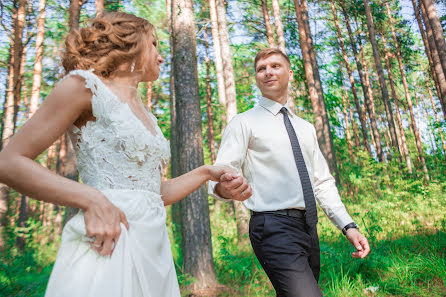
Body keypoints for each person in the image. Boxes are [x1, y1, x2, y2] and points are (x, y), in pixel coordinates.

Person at [0, 12, 235, 297]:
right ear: (130, 43)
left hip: (154, 249)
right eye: (154, 44)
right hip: (108, 240)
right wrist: (91, 198)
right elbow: (9, 162)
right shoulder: (84, 86)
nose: (161, 56)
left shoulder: (146, 114)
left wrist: (206, 172)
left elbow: (147, 193)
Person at [209, 48, 370, 297]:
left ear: (290, 74)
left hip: (308, 227)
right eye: (261, 69)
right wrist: (222, 188)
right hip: (271, 226)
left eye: (275, 66)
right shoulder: (243, 122)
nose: (267, 72)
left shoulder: (304, 128)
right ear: (256, 78)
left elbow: (322, 182)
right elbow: (220, 174)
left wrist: (348, 226)